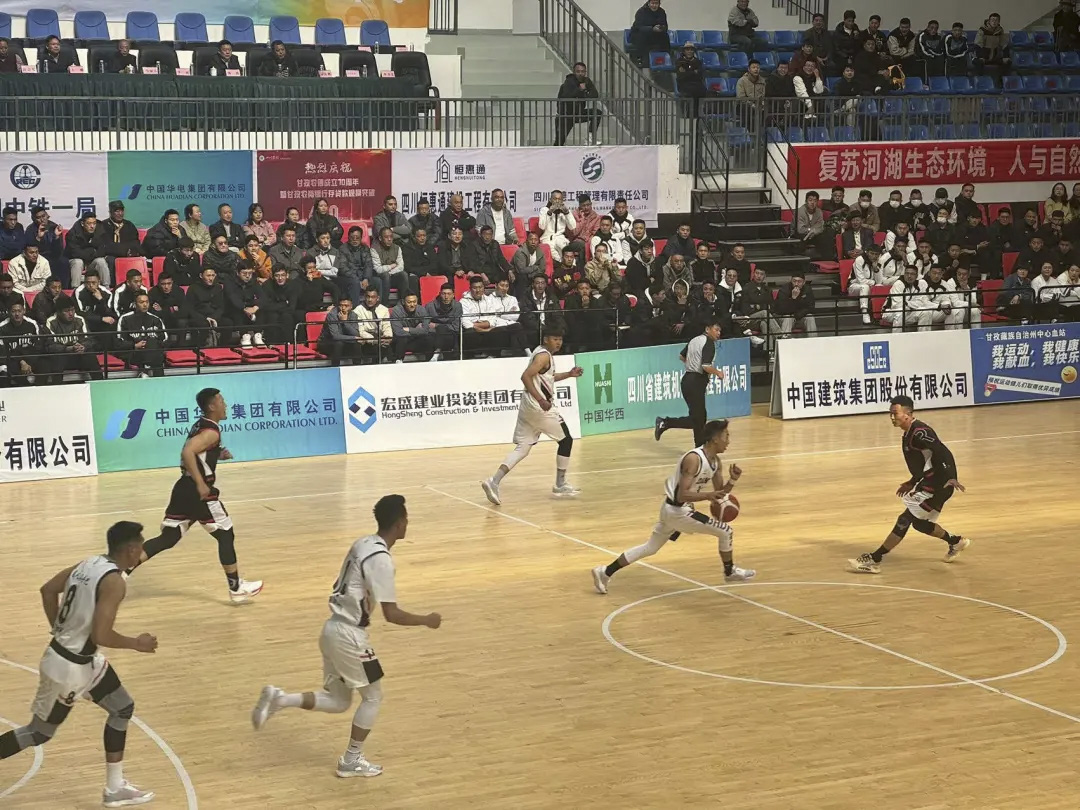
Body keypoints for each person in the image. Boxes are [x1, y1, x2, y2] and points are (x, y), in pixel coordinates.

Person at [251, 494, 440, 777]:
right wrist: (426, 620)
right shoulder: (382, 560)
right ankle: (351, 760)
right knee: (373, 697)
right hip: (349, 636)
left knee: (339, 701)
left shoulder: (362, 543)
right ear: (400, 523)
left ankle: (280, 699)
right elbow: (392, 614)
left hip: (331, 630)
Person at [0, 521, 157, 807]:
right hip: (67, 670)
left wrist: (59, 629)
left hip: (85, 661)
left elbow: (48, 590)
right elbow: (101, 635)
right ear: (132, 550)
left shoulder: (89, 563)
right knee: (38, 733)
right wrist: (137, 643)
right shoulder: (115, 582)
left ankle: (114, 789)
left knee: (122, 708)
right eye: (141, 546)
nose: (142, 551)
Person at [125, 388, 263, 602]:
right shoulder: (211, 432)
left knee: (168, 538)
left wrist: (217, 454)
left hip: (183, 489)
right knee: (225, 534)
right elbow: (188, 451)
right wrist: (200, 483)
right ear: (212, 406)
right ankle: (236, 588)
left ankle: (123, 570)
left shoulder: (202, 425)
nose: (226, 405)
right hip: (198, 491)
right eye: (222, 401)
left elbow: (198, 452)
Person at [592, 419, 755, 595]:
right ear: (715, 438)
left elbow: (720, 495)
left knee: (650, 547)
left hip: (676, 510)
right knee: (725, 531)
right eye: (726, 436)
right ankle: (729, 571)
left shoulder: (716, 462)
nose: (728, 441)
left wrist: (733, 480)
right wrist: (708, 495)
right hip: (678, 510)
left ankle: (605, 572)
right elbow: (681, 495)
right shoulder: (694, 459)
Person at [849, 396, 971, 574]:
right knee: (920, 524)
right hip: (931, 484)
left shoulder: (920, 432)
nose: (892, 417)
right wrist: (912, 482)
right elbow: (923, 462)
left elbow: (942, 451)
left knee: (904, 519)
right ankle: (956, 542)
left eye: (895, 413)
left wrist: (951, 477)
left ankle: (875, 559)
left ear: (907, 414)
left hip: (938, 486)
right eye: (890, 414)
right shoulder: (908, 434)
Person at [480, 327, 583, 505]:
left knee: (523, 448)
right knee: (566, 440)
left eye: (560, 339)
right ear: (546, 339)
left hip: (527, 407)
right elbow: (525, 377)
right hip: (538, 407)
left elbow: (547, 378)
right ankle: (560, 483)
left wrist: (569, 374)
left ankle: (493, 481)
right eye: (555, 338)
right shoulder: (543, 356)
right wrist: (541, 400)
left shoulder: (540, 353)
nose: (559, 342)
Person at [653, 319, 725, 447]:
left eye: (720, 330)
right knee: (698, 419)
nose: (719, 333)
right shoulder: (708, 343)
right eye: (716, 330)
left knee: (699, 417)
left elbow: (681, 356)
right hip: (696, 381)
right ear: (707, 329)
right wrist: (718, 372)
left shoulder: (694, 340)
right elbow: (706, 366)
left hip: (687, 380)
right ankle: (665, 423)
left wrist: (691, 365)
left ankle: (699, 446)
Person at [116, 292, 166, 377]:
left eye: (147, 302)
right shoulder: (125, 319)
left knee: (154, 346)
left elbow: (164, 339)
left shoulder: (156, 319)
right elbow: (119, 342)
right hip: (134, 353)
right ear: (135, 304)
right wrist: (134, 345)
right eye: (141, 302)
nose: (145, 305)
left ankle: (146, 372)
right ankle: (146, 370)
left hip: (154, 353)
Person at [0, 299, 46, 386]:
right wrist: (21, 361)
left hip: (30, 358)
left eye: (19, 311)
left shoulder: (32, 324)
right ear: (9, 312)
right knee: (8, 370)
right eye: (13, 311)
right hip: (12, 360)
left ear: (24, 311)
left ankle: (40, 390)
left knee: (44, 365)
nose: (17, 314)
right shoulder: (2, 327)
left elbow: (39, 346)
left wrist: (28, 362)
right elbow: (3, 352)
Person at [555, 62, 601, 146]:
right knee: (559, 142)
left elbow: (595, 95)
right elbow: (567, 96)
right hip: (565, 115)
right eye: (578, 71)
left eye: (582, 71)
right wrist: (580, 90)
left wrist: (584, 92)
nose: (580, 74)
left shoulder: (587, 81)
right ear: (574, 72)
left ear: (585, 72)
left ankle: (590, 137)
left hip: (578, 113)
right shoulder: (569, 81)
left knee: (597, 113)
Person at [66, 212, 110, 287]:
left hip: (91, 262)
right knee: (78, 262)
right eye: (89, 223)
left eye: (94, 223)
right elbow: (75, 253)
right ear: (82, 224)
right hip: (75, 262)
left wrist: (89, 253)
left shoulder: (101, 231)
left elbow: (103, 250)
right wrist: (92, 251)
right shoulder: (73, 233)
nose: (92, 226)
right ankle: (75, 288)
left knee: (101, 261)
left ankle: (106, 288)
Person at [389, 293, 434, 362]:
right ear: (403, 302)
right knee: (401, 338)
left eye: (414, 302)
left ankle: (429, 361)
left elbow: (425, 330)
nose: (412, 305)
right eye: (409, 302)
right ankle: (398, 361)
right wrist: (417, 330)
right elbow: (398, 332)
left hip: (416, 341)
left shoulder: (421, 309)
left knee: (429, 338)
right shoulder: (396, 310)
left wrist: (408, 329)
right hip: (402, 341)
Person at [774, 271, 817, 337]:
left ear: (804, 282)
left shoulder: (807, 290)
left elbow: (811, 307)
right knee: (788, 317)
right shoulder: (784, 289)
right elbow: (781, 310)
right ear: (791, 281)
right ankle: (785, 340)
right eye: (794, 281)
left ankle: (813, 340)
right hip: (785, 317)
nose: (796, 284)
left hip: (801, 317)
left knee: (810, 317)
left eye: (799, 281)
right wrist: (793, 299)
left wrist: (798, 315)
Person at [630, 0, 668, 67]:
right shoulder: (641, 12)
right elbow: (639, 27)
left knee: (665, 37)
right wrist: (652, 29)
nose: (654, 5)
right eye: (652, 3)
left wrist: (661, 28)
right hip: (639, 34)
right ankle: (642, 61)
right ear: (648, 3)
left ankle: (665, 59)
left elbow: (665, 25)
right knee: (642, 36)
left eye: (656, 3)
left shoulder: (662, 12)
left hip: (655, 34)